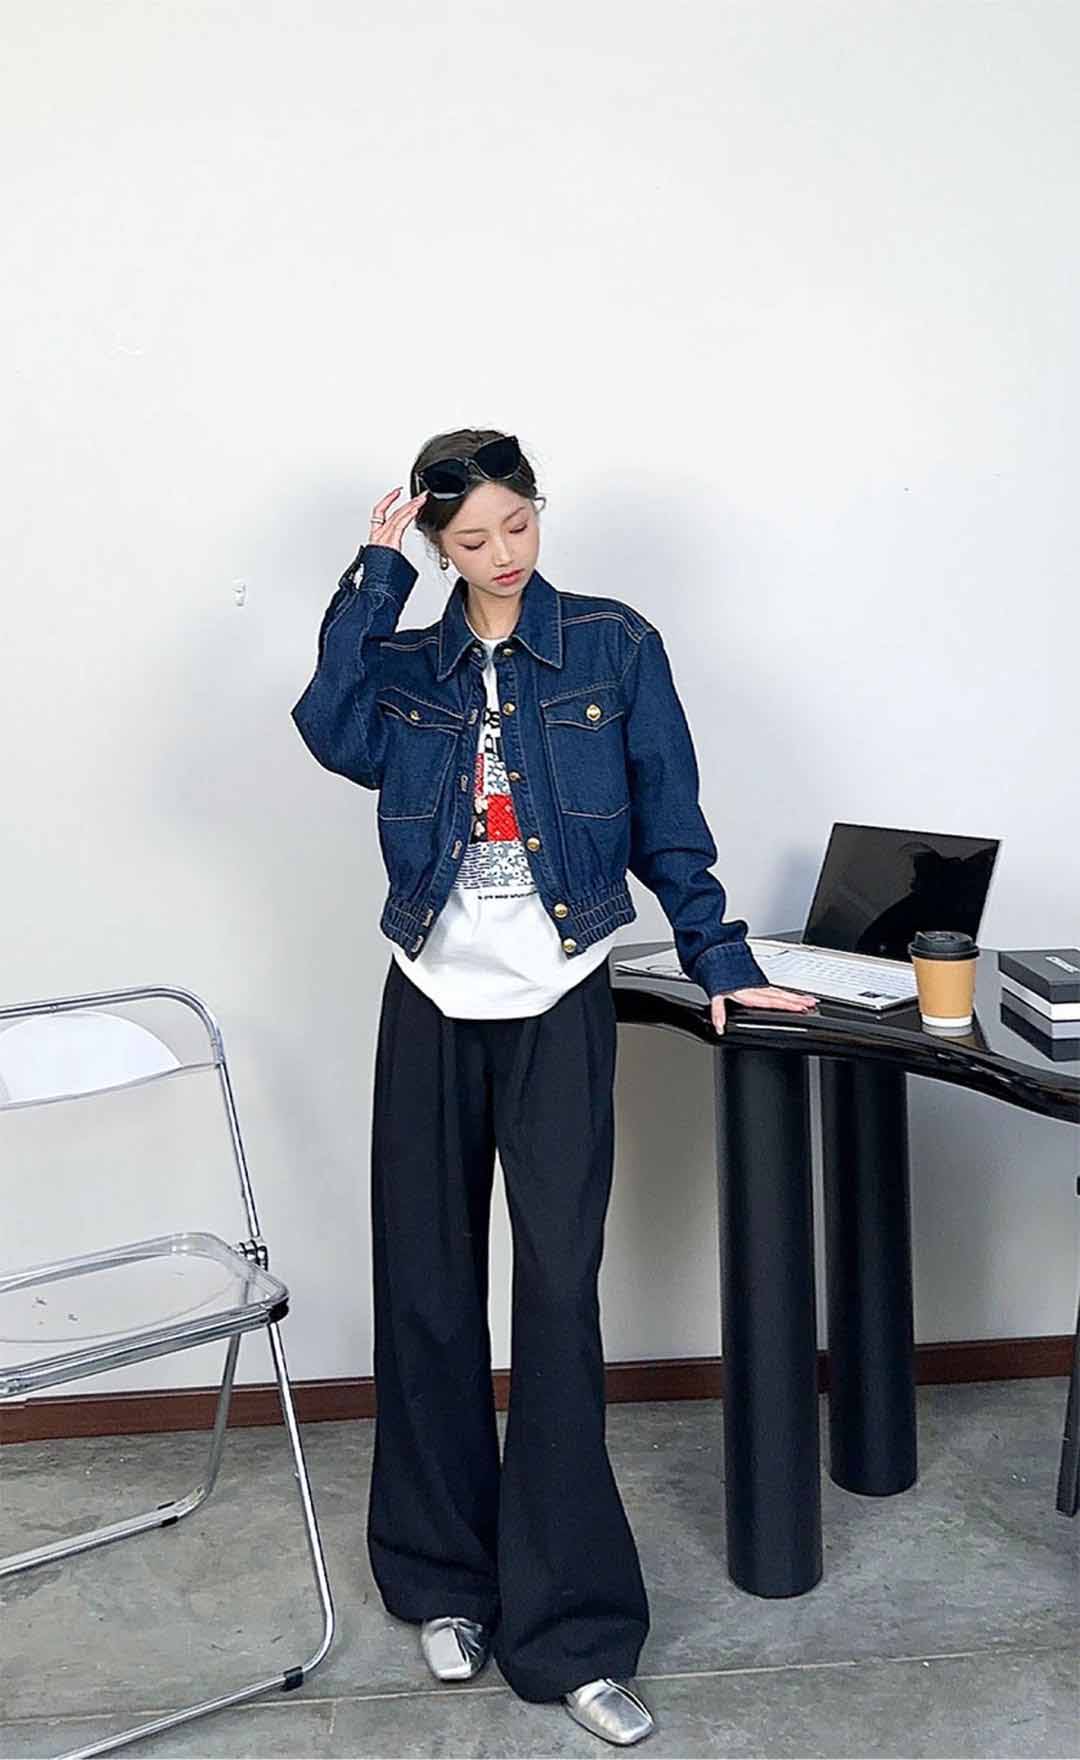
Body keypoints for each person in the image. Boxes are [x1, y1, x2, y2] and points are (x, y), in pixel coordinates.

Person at [291, 429, 817, 1746]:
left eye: (518, 526)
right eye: (471, 541)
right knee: (426, 1292)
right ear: (438, 547)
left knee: (559, 1302)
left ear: (539, 511)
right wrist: (371, 579)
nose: (504, 556)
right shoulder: (406, 664)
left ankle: (573, 1633)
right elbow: (329, 726)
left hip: (561, 994)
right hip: (428, 993)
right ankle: (443, 1582)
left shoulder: (613, 647)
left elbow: (668, 818)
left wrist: (722, 961)